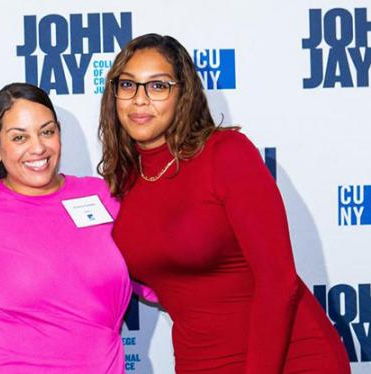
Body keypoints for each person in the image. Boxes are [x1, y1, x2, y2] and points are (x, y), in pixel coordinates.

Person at [99, 33, 350, 373]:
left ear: (182, 94)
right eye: (128, 85)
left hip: (287, 358)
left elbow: (279, 281)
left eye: (158, 86)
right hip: (200, 361)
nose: (139, 100)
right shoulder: (123, 181)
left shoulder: (226, 153)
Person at [0, 83, 155, 373]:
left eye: (47, 131)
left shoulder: (104, 197)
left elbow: (155, 279)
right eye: (19, 137)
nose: (38, 147)